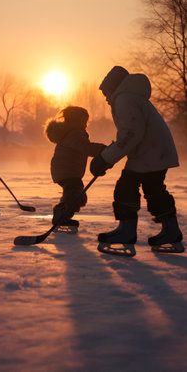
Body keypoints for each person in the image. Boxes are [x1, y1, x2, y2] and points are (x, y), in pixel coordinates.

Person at [90, 65, 184, 256]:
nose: (105, 98)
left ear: (113, 87)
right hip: (154, 152)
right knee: (154, 190)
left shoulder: (124, 99)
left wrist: (105, 159)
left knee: (126, 186)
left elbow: (131, 134)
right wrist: (108, 157)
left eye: (105, 92)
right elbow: (131, 133)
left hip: (149, 153)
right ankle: (170, 231)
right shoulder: (132, 98)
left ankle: (127, 231)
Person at [45, 105, 106, 231]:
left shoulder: (70, 133)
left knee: (75, 195)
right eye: (84, 121)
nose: (86, 125)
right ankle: (61, 214)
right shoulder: (74, 134)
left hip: (64, 170)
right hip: (67, 171)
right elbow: (86, 147)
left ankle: (63, 215)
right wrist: (105, 150)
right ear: (77, 120)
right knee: (76, 195)